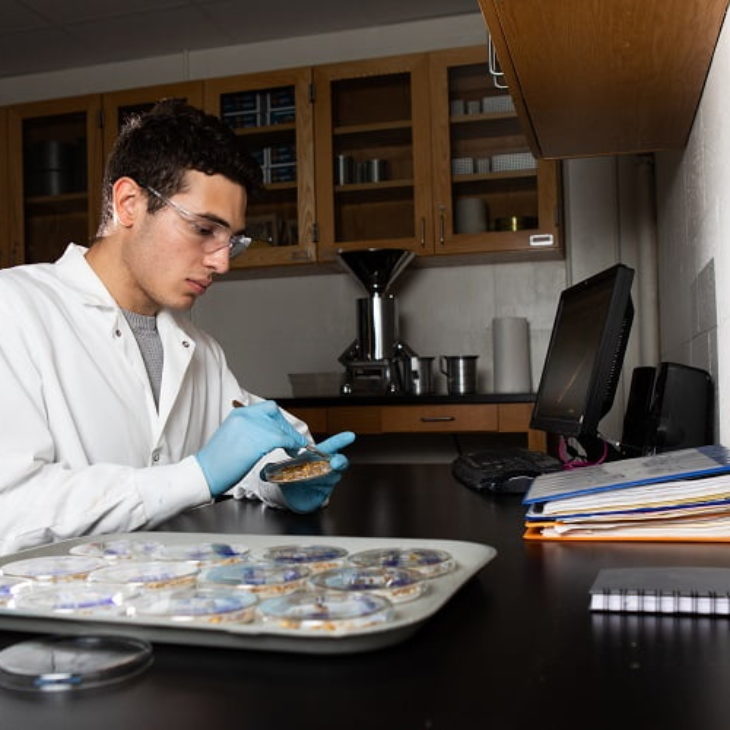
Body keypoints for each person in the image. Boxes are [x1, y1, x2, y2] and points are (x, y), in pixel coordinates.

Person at [0, 99, 355, 555]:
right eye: (205, 229)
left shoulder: (197, 348)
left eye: (233, 241)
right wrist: (195, 476)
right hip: (44, 616)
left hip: (165, 602)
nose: (222, 262)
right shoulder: (15, 309)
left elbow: (248, 450)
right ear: (129, 204)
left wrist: (283, 476)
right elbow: (11, 506)